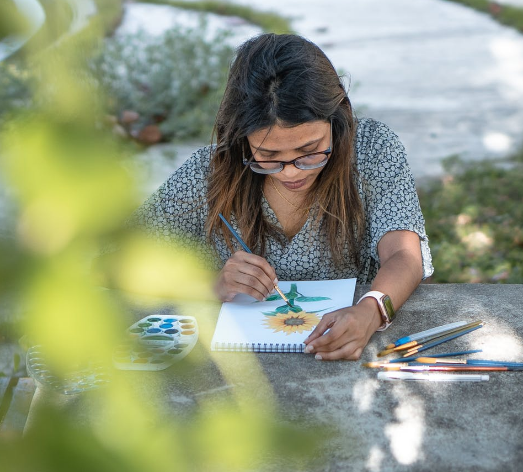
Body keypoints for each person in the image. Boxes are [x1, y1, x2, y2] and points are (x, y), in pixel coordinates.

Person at [131, 33, 433, 360]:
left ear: (338, 117)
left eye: (310, 151)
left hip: (344, 360)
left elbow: (404, 255)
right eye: (268, 155)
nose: (291, 172)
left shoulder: (372, 150)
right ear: (241, 138)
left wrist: (371, 310)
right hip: (236, 373)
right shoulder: (210, 173)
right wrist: (209, 285)